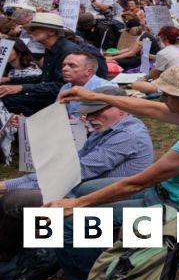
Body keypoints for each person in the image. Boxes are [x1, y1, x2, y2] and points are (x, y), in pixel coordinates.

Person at [49, 63, 179, 280]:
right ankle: (94, 253)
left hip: (177, 208)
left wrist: (77, 204)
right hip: (175, 193)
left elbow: (136, 183)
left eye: (168, 95)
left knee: (68, 223)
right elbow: (151, 109)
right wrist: (94, 95)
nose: (162, 100)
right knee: (86, 189)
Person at [0, 87, 153, 256]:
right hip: (88, 193)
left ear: (122, 108)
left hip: (103, 200)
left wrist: (8, 186)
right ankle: (27, 258)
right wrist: (8, 184)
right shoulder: (106, 129)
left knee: (13, 201)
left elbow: (73, 172)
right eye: (88, 113)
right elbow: (70, 167)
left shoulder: (127, 135)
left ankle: (19, 259)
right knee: (18, 196)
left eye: (98, 112)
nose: (90, 118)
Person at [0, 12, 80, 115]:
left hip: (61, 101)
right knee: (5, 89)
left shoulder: (67, 51)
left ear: (50, 31)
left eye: (33, 29)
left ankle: (30, 125)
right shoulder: (50, 48)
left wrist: (20, 87)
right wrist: (9, 80)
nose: (28, 32)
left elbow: (61, 86)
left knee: (7, 98)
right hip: (50, 95)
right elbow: (43, 79)